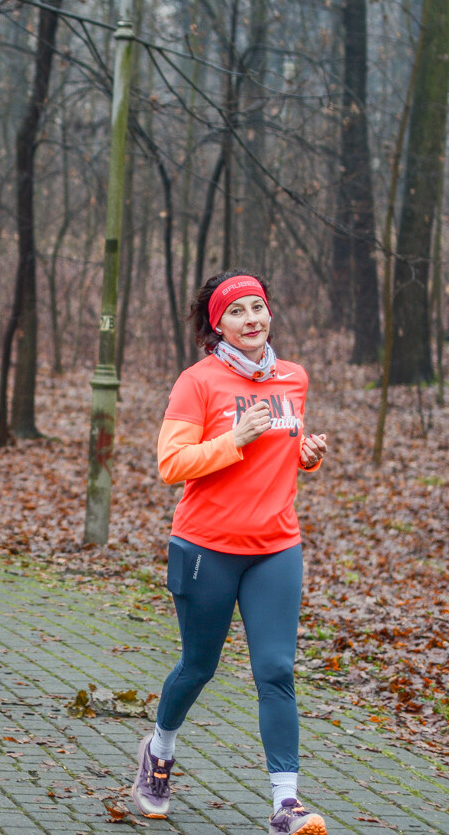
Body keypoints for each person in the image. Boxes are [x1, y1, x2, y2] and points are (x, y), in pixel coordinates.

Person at [130, 272, 330, 835]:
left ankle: (286, 804)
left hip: (276, 546)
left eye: (259, 307)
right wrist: (233, 440)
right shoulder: (197, 382)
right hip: (205, 547)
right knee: (199, 666)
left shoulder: (293, 378)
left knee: (276, 669)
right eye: (238, 310)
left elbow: (283, 455)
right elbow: (172, 465)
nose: (253, 319)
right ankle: (159, 751)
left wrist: (307, 455)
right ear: (218, 323)